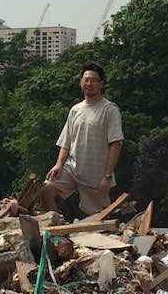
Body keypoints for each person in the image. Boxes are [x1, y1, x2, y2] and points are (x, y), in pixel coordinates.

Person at [42, 62, 124, 215]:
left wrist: (107, 176)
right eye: (86, 79)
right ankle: (55, 228)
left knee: (98, 217)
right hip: (72, 169)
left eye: (93, 80)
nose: (89, 83)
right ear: (81, 82)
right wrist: (58, 164)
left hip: (96, 173)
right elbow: (66, 142)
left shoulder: (109, 110)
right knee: (47, 189)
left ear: (101, 84)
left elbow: (116, 144)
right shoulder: (75, 110)